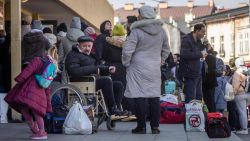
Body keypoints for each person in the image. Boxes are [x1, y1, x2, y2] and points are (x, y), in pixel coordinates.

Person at [122, 5, 170, 134]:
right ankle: (155, 127)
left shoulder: (136, 31)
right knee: (154, 96)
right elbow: (166, 49)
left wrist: (126, 63)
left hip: (138, 66)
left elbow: (128, 50)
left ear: (141, 15)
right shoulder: (161, 31)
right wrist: (161, 60)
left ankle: (141, 126)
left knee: (140, 96)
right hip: (154, 66)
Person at [4, 46, 58, 140]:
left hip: (30, 88)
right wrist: (48, 103)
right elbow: (47, 84)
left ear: (44, 51)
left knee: (28, 109)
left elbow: (28, 71)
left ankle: (41, 131)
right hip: (41, 90)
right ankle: (36, 129)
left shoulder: (38, 60)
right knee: (36, 110)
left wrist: (19, 79)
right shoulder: (53, 65)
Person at [65, 35, 125, 116]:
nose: (87, 48)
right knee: (106, 81)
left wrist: (107, 69)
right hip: (80, 83)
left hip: (90, 82)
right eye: (84, 46)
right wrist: (94, 69)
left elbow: (97, 68)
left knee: (118, 85)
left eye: (89, 46)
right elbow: (74, 71)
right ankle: (112, 109)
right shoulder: (73, 55)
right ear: (78, 45)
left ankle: (116, 108)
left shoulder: (90, 56)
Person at [180, 24, 207, 103]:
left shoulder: (198, 41)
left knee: (199, 97)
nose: (204, 34)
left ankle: (197, 114)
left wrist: (206, 45)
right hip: (190, 73)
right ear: (197, 31)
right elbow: (184, 54)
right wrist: (200, 54)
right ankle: (189, 114)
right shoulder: (187, 40)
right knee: (191, 97)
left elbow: (204, 51)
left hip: (197, 73)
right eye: (202, 32)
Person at [232, 57, 250, 134]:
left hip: (240, 94)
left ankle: (244, 129)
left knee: (242, 112)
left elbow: (235, 85)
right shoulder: (248, 70)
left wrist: (233, 93)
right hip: (249, 93)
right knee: (246, 111)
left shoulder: (237, 72)